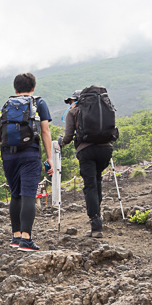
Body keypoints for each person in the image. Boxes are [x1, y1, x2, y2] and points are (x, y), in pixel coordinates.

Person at [0, 73, 54, 251]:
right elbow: (45, 131)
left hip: (8, 155)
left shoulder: (6, 105)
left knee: (15, 195)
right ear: (33, 87)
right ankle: (26, 239)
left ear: (15, 89)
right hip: (30, 154)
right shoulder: (38, 103)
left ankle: (16, 236)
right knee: (28, 196)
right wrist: (50, 158)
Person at [58, 90, 114, 238]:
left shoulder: (74, 112)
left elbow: (68, 136)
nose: (70, 104)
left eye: (70, 101)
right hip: (106, 149)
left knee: (90, 186)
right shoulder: (101, 109)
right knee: (97, 181)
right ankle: (98, 217)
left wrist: (61, 142)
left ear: (76, 100)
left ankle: (96, 227)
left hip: (86, 151)